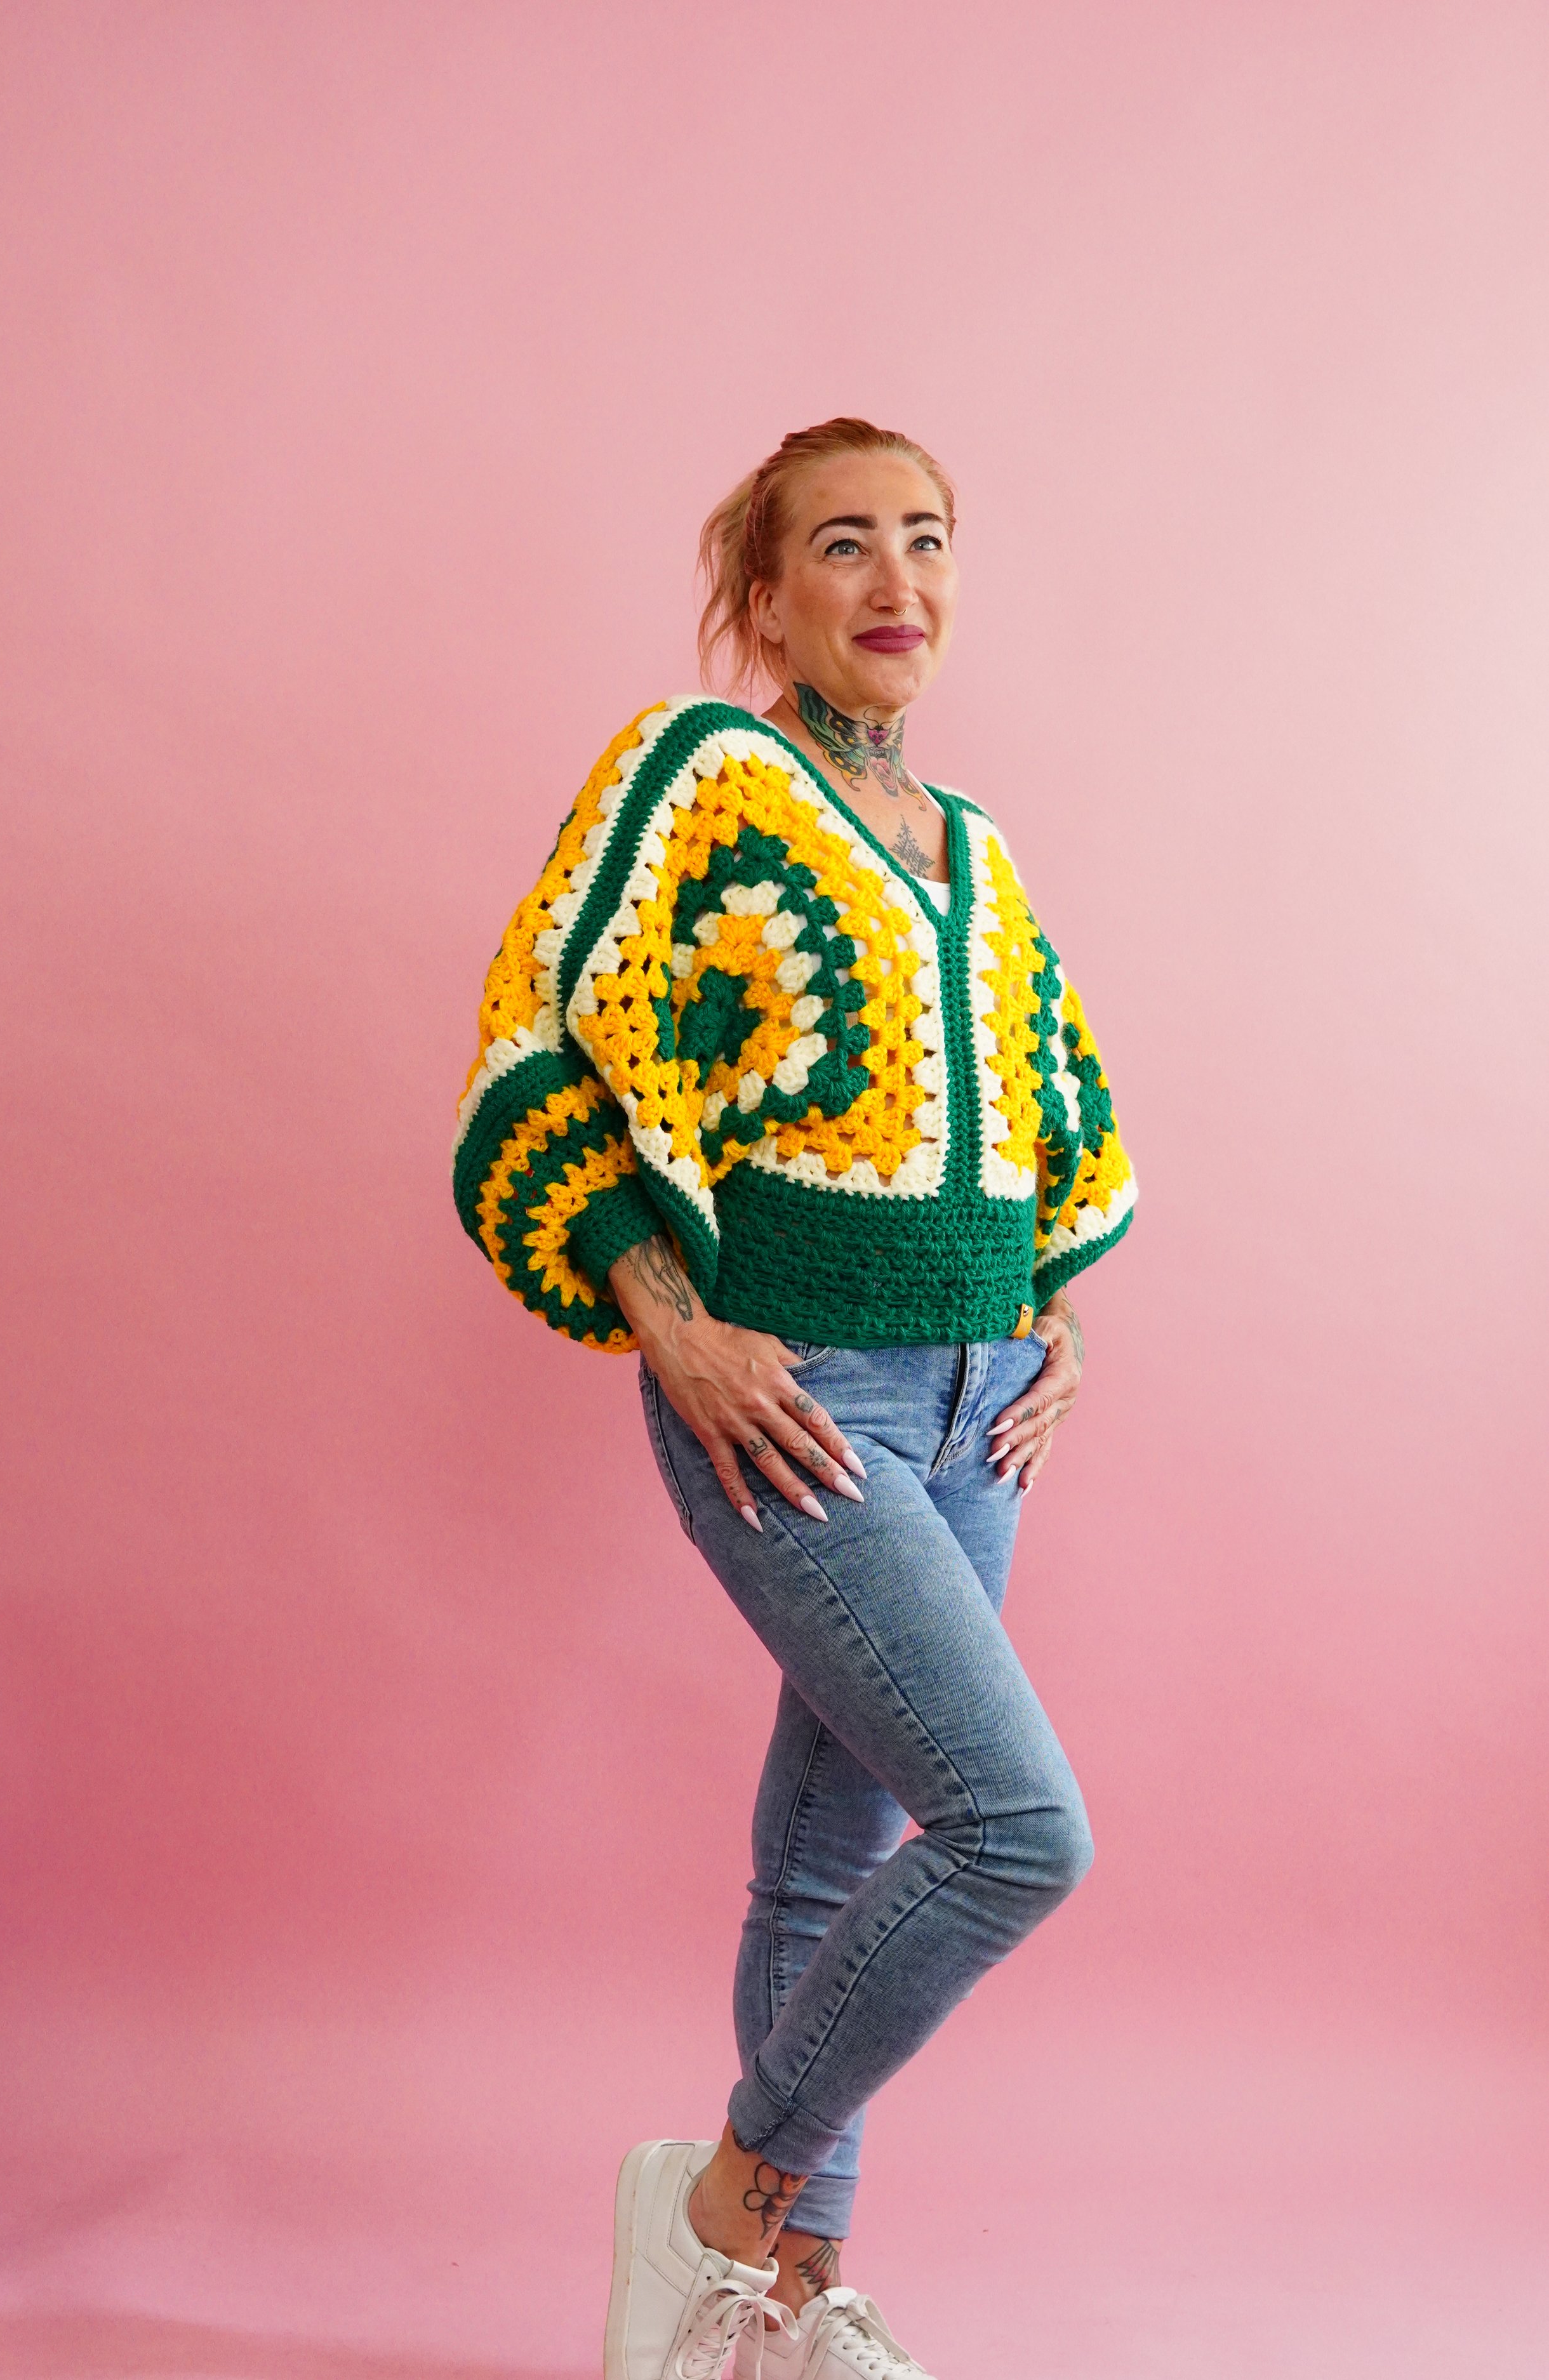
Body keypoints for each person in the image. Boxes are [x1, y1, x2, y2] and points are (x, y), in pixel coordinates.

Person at [454, 418, 1136, 2380]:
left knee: (829, 1856)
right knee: (1015, 1829)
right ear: (764, 602)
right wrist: (668, 1321)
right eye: (842, 546)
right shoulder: (703, 773)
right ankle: (716, 2203)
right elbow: (540, 1030)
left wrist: (1054, 1310)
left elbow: (1040, 1113)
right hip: (796, 1399)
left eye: (924, 538)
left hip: (968, 1406)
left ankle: (781, 2304)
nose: (895, 580)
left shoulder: (979, 853)